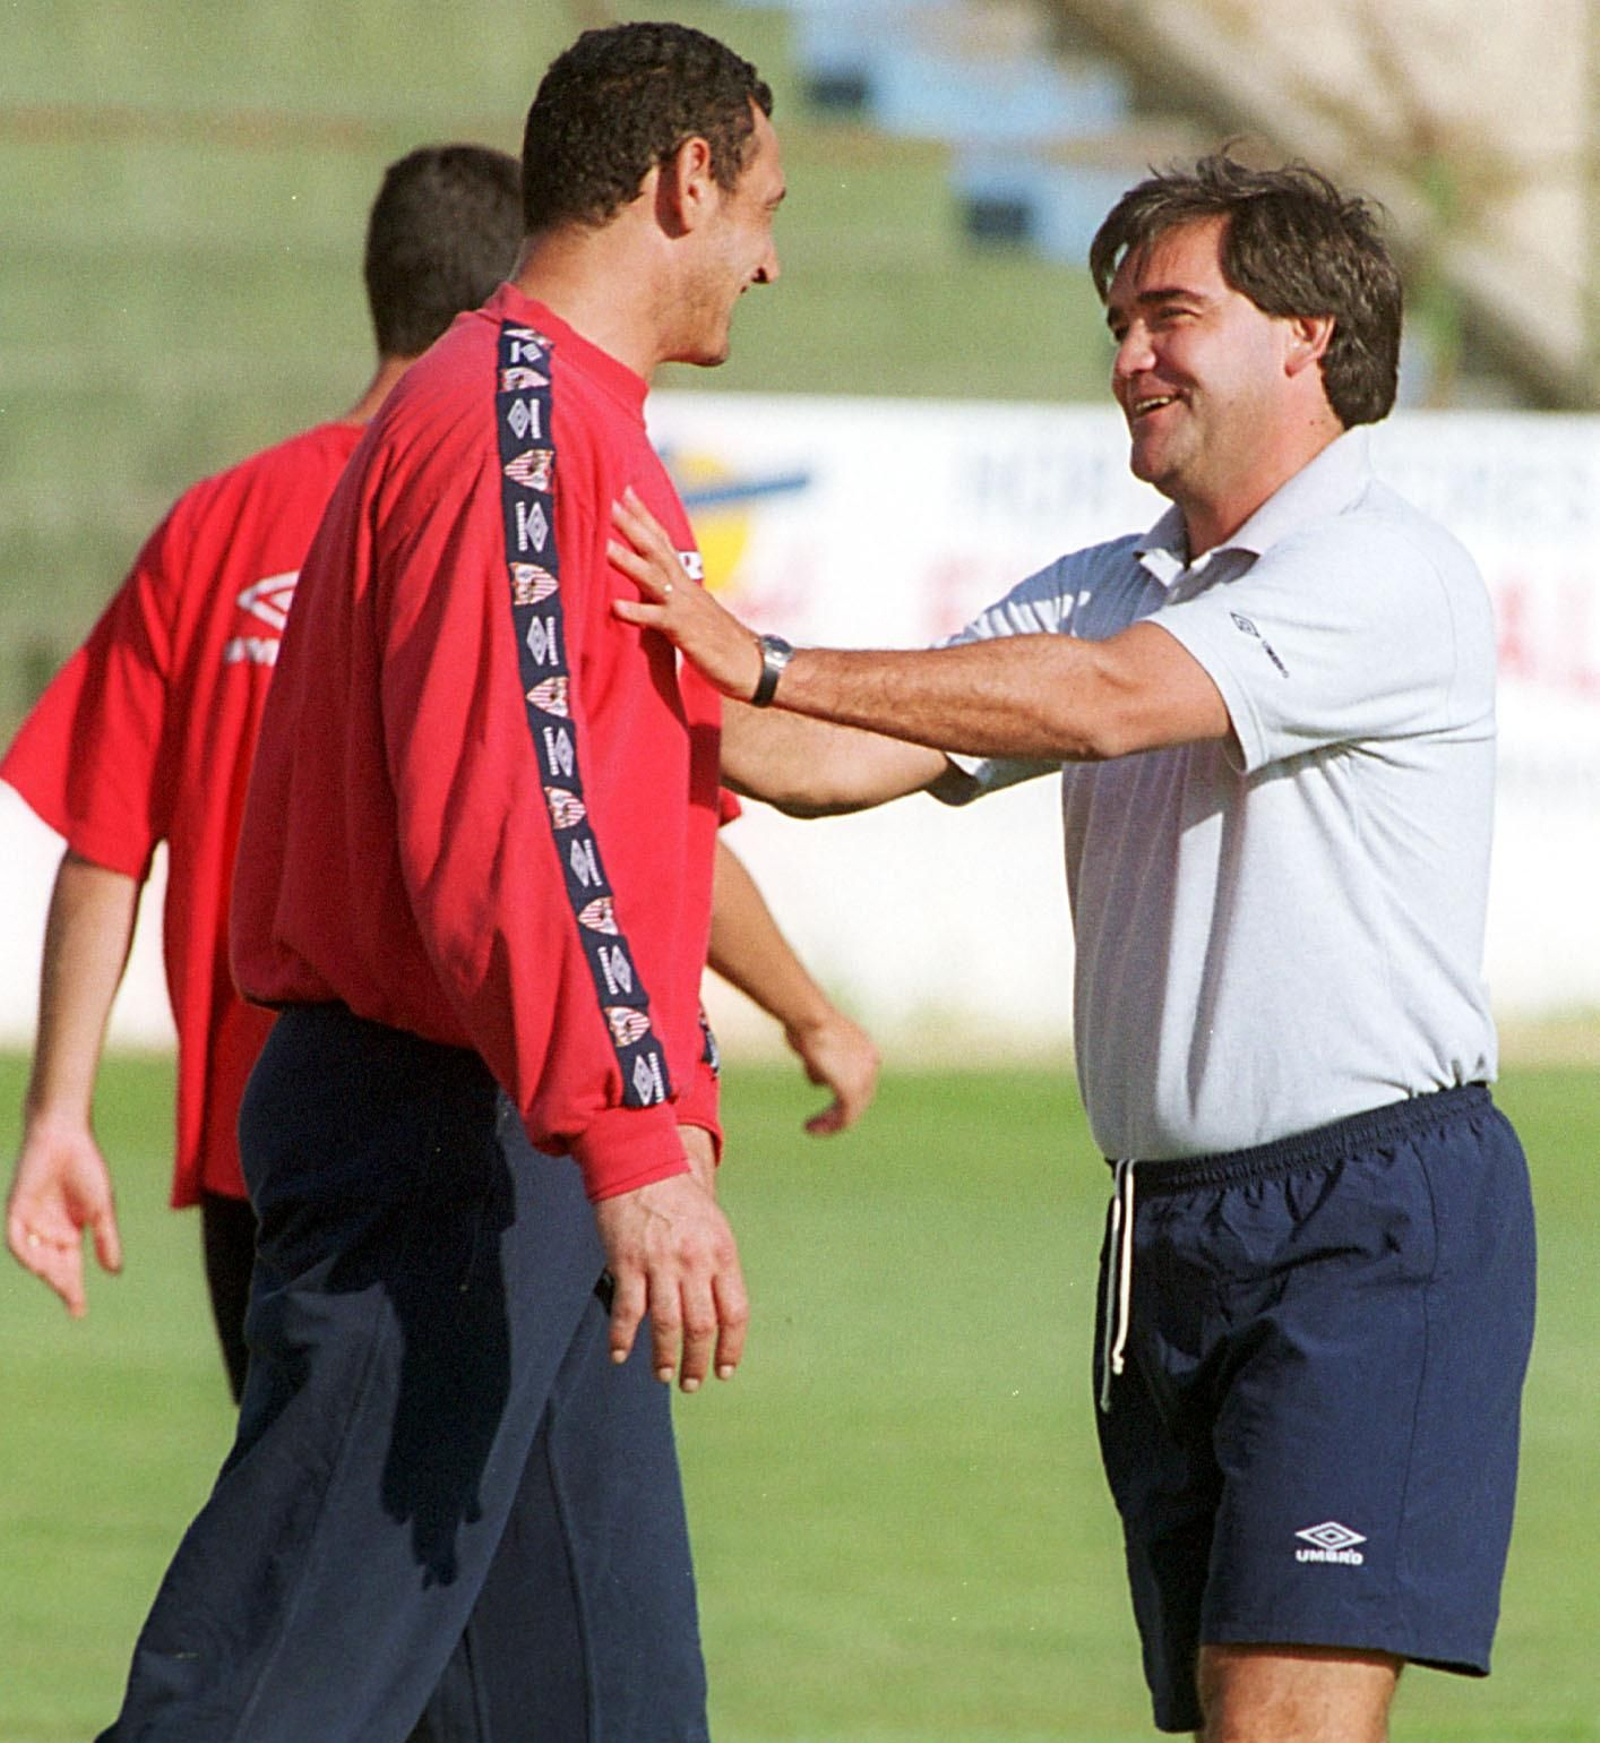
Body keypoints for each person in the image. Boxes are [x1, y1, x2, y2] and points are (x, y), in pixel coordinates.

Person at [608, 154, 1536, 1743]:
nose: (1128, 357)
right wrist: (600, 636)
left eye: (1171, 312)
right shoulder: (1115, 583)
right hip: (1163, 1231)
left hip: (1370, 1223)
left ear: (1308, 333)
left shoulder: (1379, 568)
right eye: (1117, 321)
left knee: (1280, 1719)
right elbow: (818, 763)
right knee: (1218, 1710)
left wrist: (754, 653)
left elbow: (1103, 701)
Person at [87, 22, 785, 1741]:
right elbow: (516, 821)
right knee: (272, 1692)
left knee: (608, 1706)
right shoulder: (517, 419)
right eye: (765, 203)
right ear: (684, 180)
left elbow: (640, 793)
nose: (772, 252)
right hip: (446, 1138)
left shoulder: (559, 420)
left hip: (519, 1142)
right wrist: (635, 1133)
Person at [4, 149, 876, 1400]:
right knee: (351, 1559)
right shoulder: (519, 480)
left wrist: (58, 1115)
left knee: (405, 1549)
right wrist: (805, 1011)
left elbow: (103, 838)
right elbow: (599, 821)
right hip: (476, 1097)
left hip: (267, 1120)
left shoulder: (217, 522)